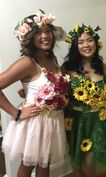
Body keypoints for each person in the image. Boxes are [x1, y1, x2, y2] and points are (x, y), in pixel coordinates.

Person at [0, 9, 69, 177]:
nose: (45, 35)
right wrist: (16, 113)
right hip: (35, 122)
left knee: (44, 163)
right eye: (38, 32)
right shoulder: (26, 62)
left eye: (47, 31)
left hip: (52, 121)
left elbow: (44, 84)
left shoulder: (51, 58)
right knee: (28, 165)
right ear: (29, 37)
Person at [62, 23, 106, 177]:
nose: (86, 45)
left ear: (96, 43)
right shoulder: (67, 68)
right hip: (74, 119)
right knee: (76, 159)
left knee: (89, 164)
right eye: (81, 42)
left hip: (96, 120)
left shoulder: (103, 67)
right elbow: (57, 90)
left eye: (89, 40)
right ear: (75, 46)